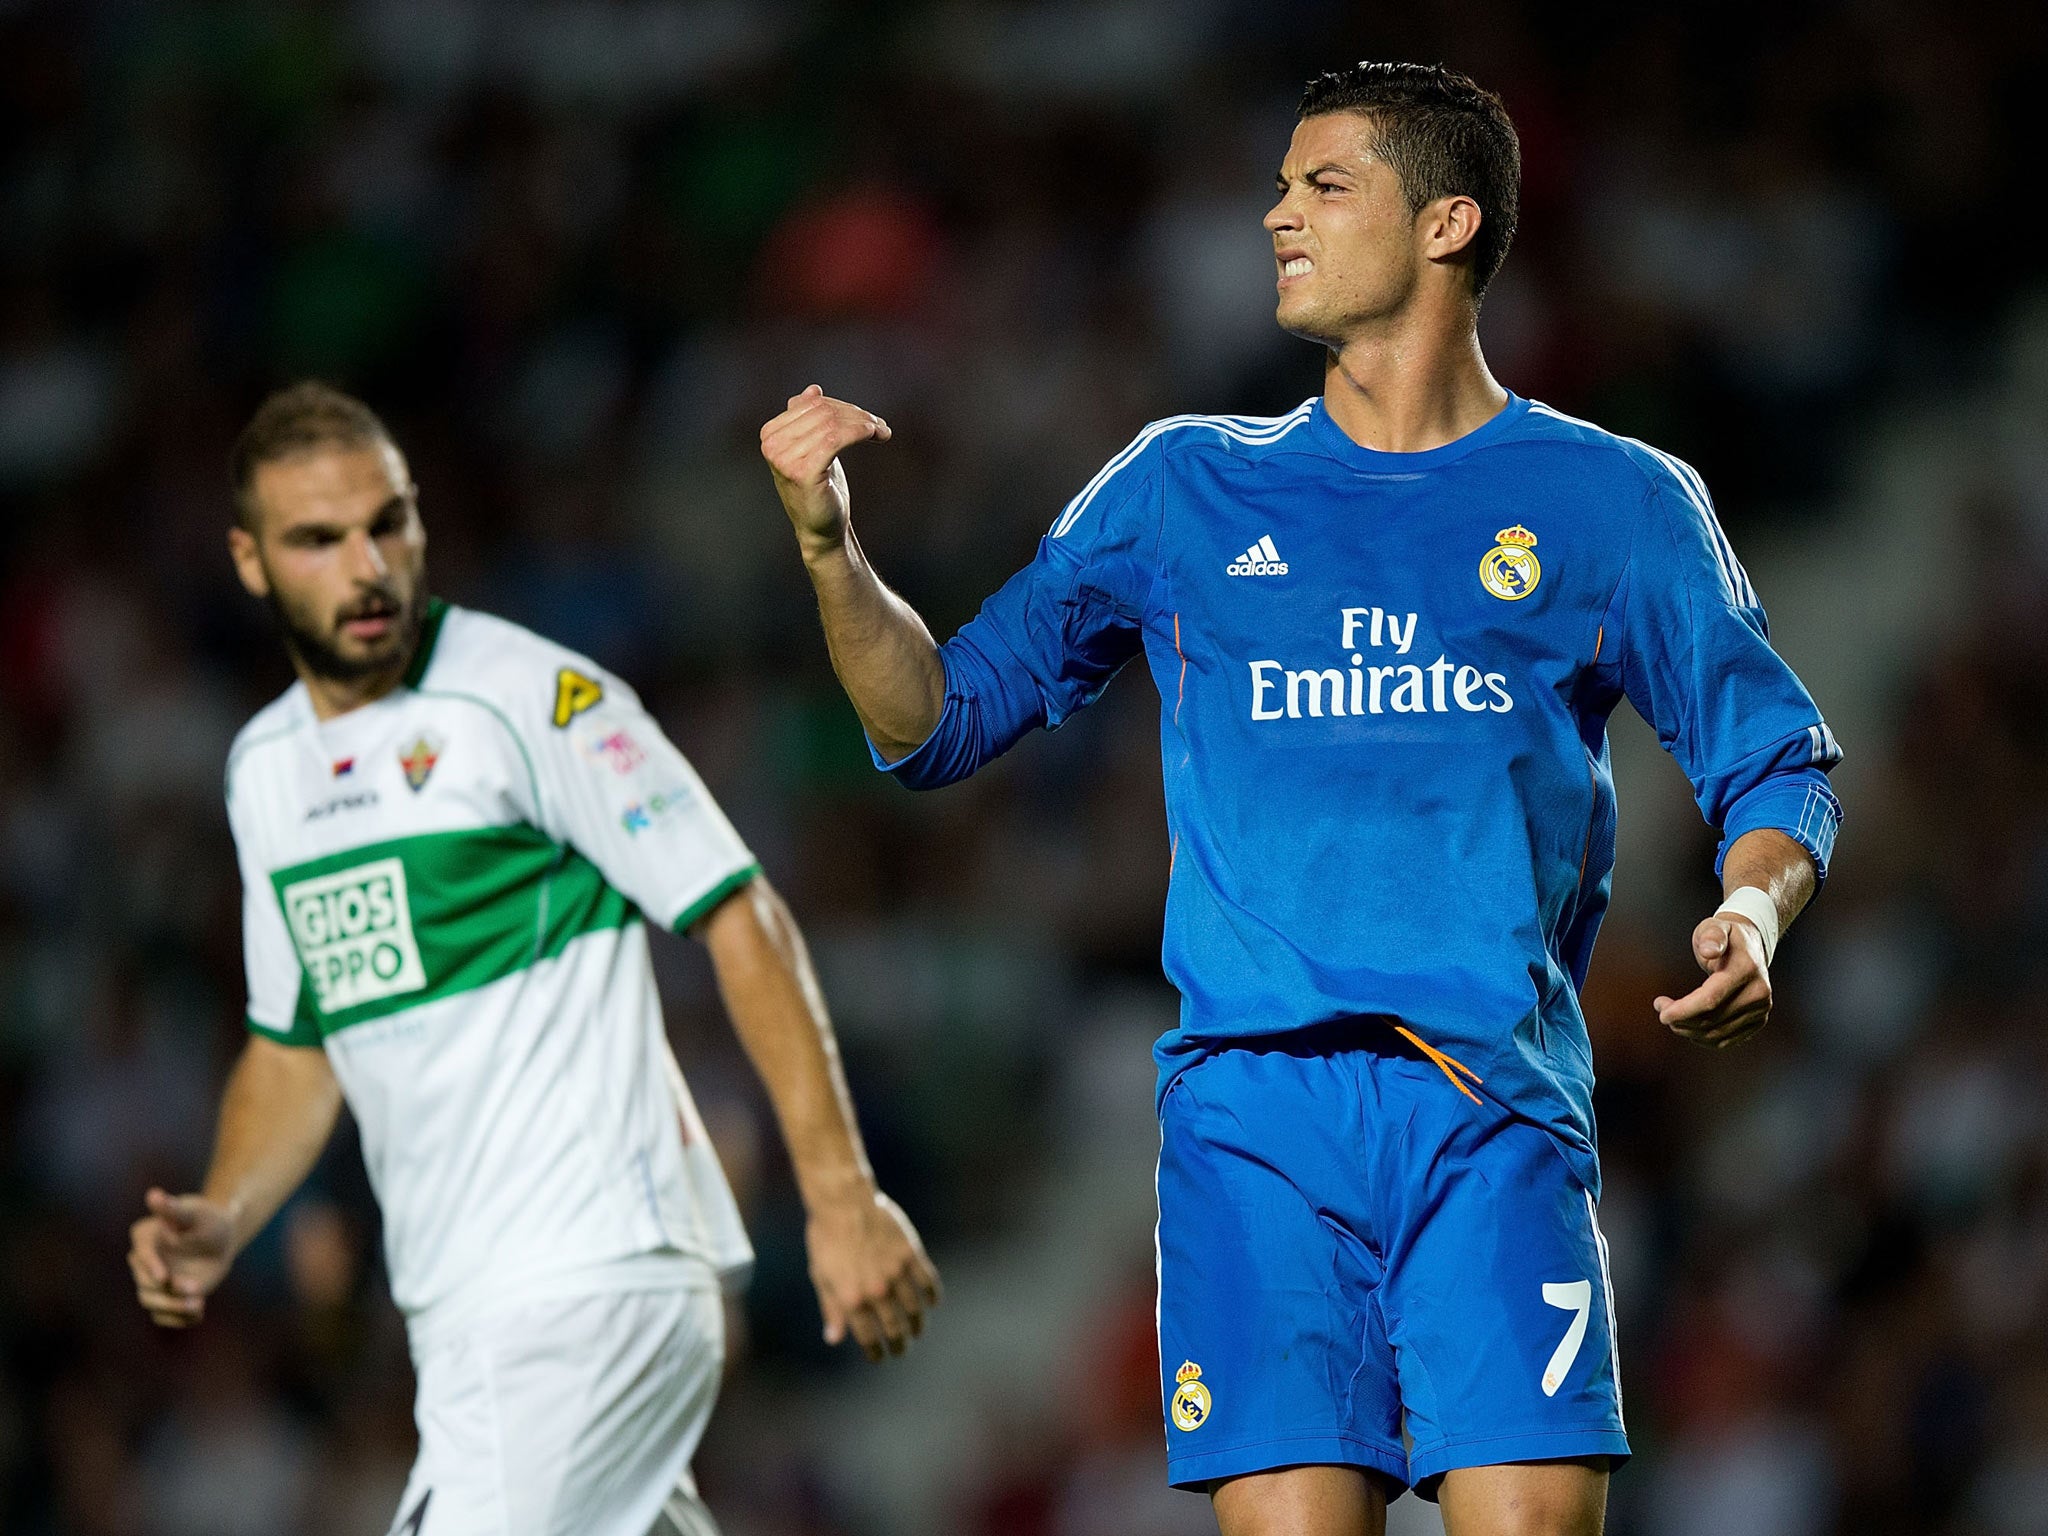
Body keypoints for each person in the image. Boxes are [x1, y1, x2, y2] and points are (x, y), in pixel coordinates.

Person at [759, 61, 1841, 1536]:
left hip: (1491, 1106)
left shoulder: (1614, 502)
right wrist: (831, 556)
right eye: (1275, 186)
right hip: (1254, 1119)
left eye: (1321, 186)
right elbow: (938, 717)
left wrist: (1753, 910)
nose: (1275, 215)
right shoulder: (1183, 487)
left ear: (1448, 222)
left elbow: (1772, 756)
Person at [127, 382, 941, 1536]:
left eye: (387, 523)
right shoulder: (263, 771)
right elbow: (298, 1049)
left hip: (588, 1279)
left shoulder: (532, 702)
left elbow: (737, 910)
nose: (365, 566)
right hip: (462, 1321)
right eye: (318, 539)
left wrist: (840, 1196)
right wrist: (224, 1209)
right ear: (249, 562)